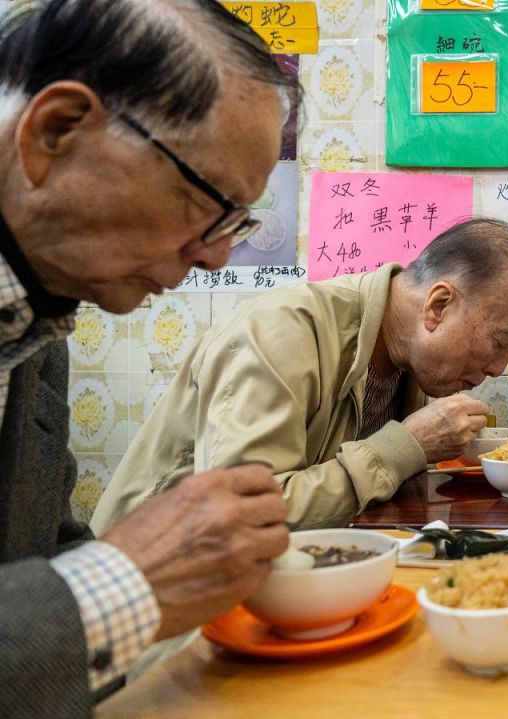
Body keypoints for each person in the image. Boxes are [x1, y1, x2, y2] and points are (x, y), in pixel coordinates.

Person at [0, 0, 297, 714]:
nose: (218, 255)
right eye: (213, 205)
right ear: (57, 131)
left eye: (239, 222)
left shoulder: (39, 314)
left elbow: (44, 558)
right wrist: (129, 580)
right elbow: (88, 578)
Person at [92, 218, 508, 532]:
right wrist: (406, 447)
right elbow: (240, 518)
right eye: (501, 341)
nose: (499, 368)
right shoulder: (282, 331)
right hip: (154, 602)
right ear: (438, 305)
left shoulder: (406, 355)